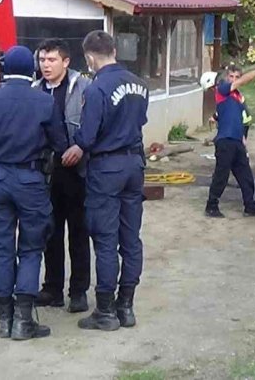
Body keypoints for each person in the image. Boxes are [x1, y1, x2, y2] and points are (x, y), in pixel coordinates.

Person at [0, 45, 63, 340]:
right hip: (30, 179)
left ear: (4, 69)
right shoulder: (43, 102)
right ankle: (23, 321)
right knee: (30, 248)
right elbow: (59, 142)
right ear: (33, 70)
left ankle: (4, 320)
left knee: (1, 248)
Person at [67, 30, 149, 332]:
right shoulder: (140, 84)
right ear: (114, 49)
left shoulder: (98, 87)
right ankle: (126, 306)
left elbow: (87, 136)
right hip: (134, 164)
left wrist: (75, 141)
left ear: (90, 57)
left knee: (104, 239)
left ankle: (104, 310)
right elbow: (140, 122)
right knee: (131, 238)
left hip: (106, 167)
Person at [32, 39, 92, 313]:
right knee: (50, 234)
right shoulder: (35, 91)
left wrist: (81, 147)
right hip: (47, 175)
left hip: (77, 174)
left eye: (51, 60)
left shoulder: (83, 88)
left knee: (79, 234)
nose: (46, 65)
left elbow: (95, 124)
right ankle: (52, 288)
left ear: (66, 62)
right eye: (42, 60)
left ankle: (78, 291)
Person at [204, 63, 255, 219]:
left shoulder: (237, 96)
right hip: (225, 141)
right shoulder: (223, 88)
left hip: (236, 141)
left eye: (237, 77)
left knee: (246, 176)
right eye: (232, 76)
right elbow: (244, 81)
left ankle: (250, 206)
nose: (235, 80)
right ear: (225, 78)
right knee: (221, 175)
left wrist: (243, 136)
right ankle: (211, 205)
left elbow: (240, 117)